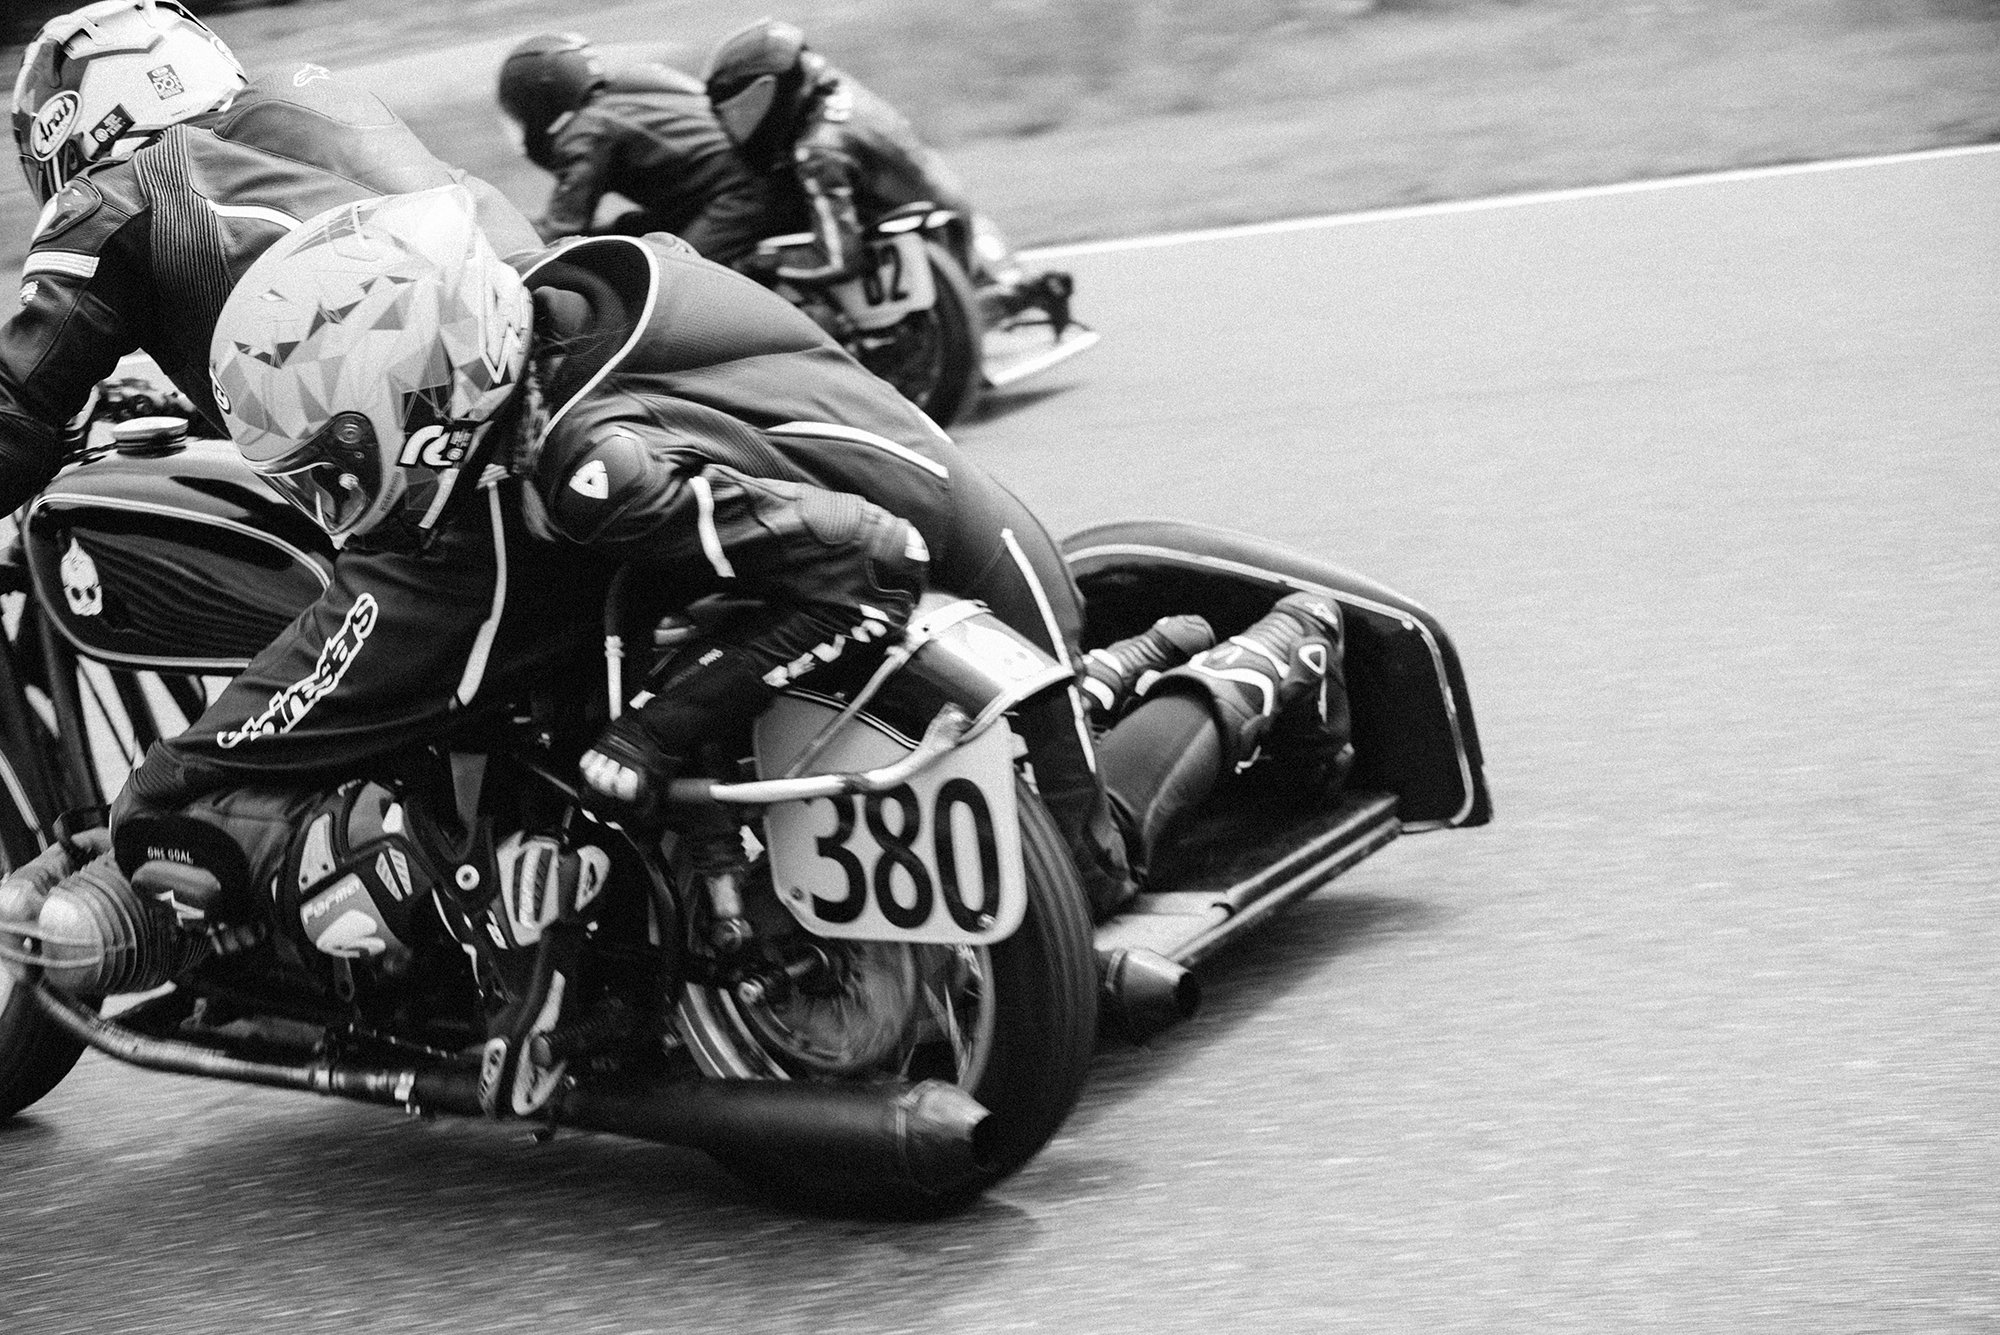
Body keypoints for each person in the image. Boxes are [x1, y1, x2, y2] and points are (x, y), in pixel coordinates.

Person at [8, 187, 1345, 1100]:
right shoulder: (550, 332)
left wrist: (157, 808)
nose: (324, 493)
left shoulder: (576, 472)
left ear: (419, 404)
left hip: (933, 574)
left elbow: (321, 687)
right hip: (897, 537)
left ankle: (1256, 667)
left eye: (332, 459)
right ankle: (1155, 662)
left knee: (1089, 860)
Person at [0, 0, 538, 517]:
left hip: (437, 491)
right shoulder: (317, 99)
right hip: (540, 376)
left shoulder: (113, 198)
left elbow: (17, 409)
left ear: (66, 126)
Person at [700, 18, 1074, 330]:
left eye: (732, 113)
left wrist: (757, 264)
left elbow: (838, 258)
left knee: (773, 265)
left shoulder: (816, 151)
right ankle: (1014, 292)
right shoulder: (842, 93)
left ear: (766, 94)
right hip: (955, 216)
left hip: (916, 247)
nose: (729, 126)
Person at [496, 33, 776, 266]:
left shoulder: (586, 132)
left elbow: (562, 228)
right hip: (737, 183)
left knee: (675, 273)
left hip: (735, 197)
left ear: (537, 105)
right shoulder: (629, 94)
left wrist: (504, 246)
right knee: (626, 231)